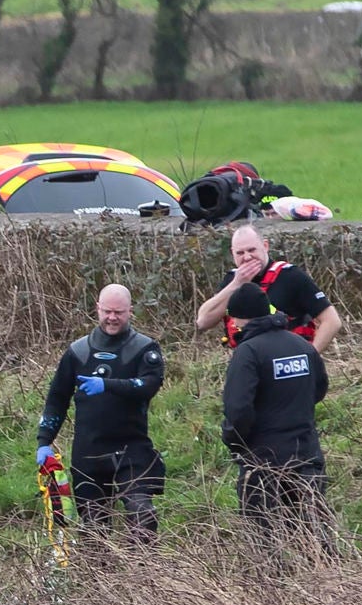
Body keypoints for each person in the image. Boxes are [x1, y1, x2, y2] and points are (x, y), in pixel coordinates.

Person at [35, 283, 166, 542]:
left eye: (118, 312)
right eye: (107, 311)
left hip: (131, 449)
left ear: (130, 311)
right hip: (89, 451)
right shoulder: (78, 352)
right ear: (97, 309)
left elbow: (148, 386)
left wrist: (108, 385)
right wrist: (44, 440)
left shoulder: (144, 349)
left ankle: (142, 576)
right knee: (94, 529)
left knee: (143, 517)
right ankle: (100, 580)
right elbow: (57, 398)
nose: (112, 318)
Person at [218, 281, 333, 544]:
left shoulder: (247, 352)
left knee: (264, 543)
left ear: (238, 318)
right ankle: (327, 583)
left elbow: (238, 410)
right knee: (314, 538)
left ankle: (269, 586)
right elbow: (319, 389)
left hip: (264, 463)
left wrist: (234, 442)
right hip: (307, 456)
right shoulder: (303, 346)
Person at [194, 223, 344, 351]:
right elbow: (202, 322)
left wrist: (310, 357)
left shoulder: (291, 276)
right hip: (248, 363)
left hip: (286, 361)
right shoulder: (231, 280)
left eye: (252, 250)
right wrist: (236, 284)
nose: (247, 257)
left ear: (265, 246)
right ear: (232, 254)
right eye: (240, 253)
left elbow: (332, 321)